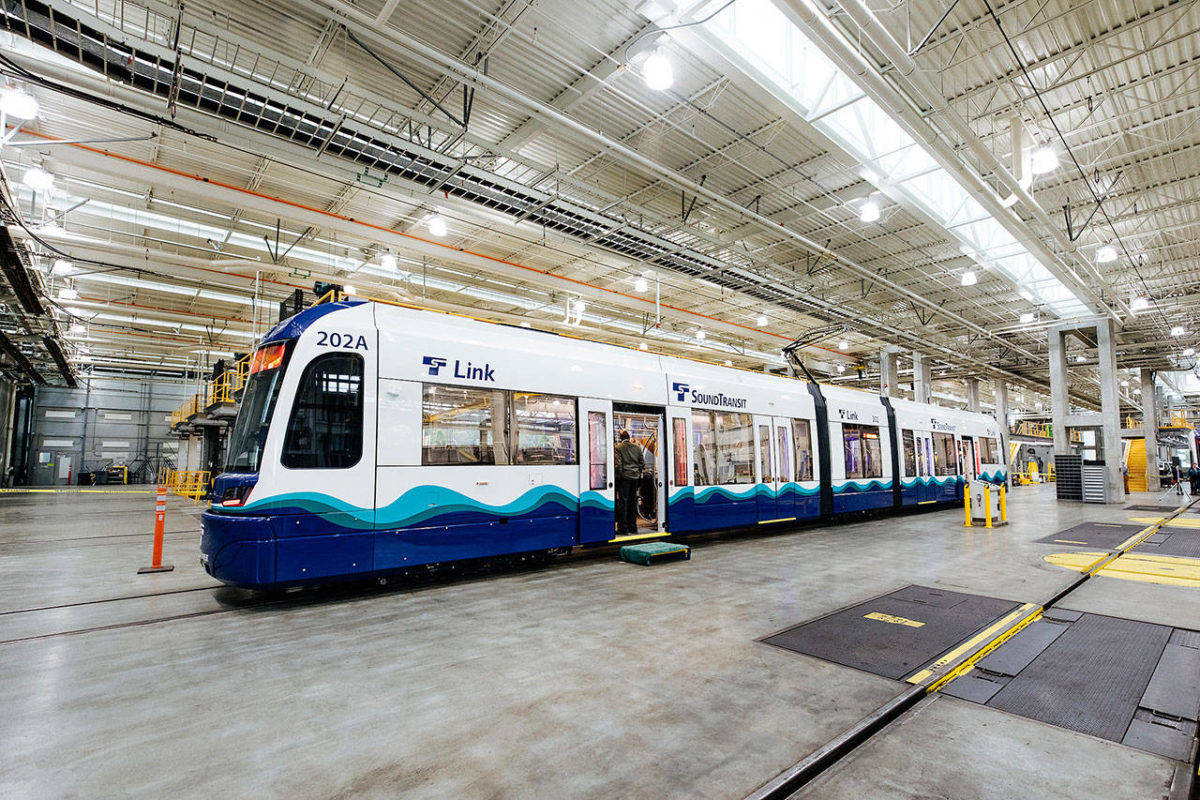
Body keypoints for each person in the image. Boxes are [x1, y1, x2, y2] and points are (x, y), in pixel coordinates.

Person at [615, 430, 644, 535]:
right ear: (629, 437)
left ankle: (623, 528)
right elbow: (642, 463)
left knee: (623, 503)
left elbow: (618, 464)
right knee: (633, 502)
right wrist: (637, 472)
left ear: (621, 437)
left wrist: (621, 476)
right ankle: (633, 527)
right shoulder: (637, 447)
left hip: (625, 479)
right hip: (635, 478)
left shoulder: (618, 448)